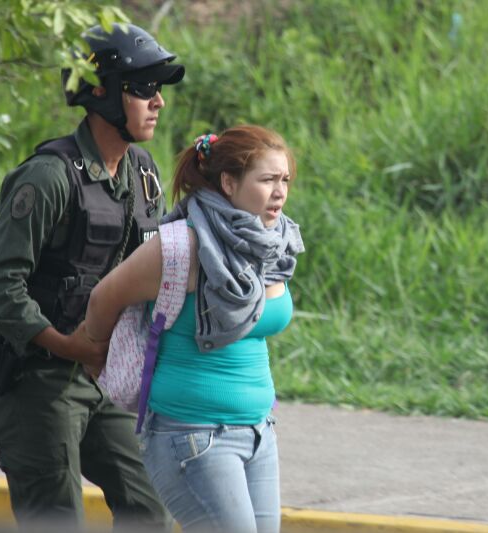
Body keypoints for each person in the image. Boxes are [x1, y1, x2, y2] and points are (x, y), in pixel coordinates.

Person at [0, 23, 184, 529]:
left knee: (151, 511)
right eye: (143, 88)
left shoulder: (143, 173)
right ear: (101, 93)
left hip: (101, 378)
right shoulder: (49, 177)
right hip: (36, 382)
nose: (157, 102)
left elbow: (151, 270)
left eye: (158, 90)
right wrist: (72, 347)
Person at [83, 125, 305, 533]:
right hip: (193, 438)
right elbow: (103, 299)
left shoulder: (272, 243)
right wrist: (96, 356)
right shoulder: (183, 245)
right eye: (268, 179)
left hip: (258, 433)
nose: (280, 191)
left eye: (285, 179)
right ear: (228, 182)